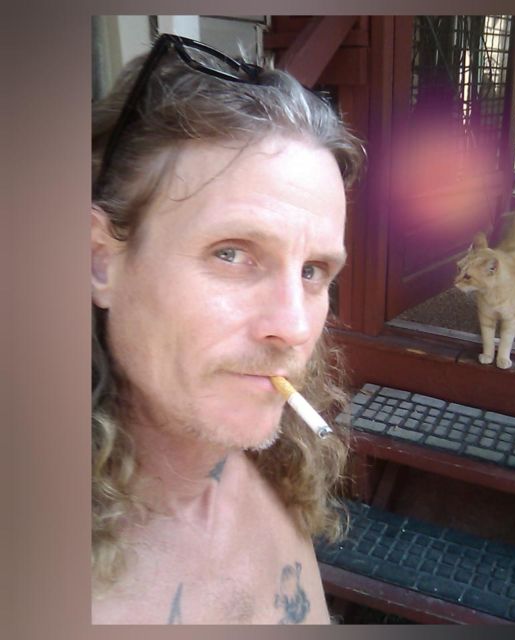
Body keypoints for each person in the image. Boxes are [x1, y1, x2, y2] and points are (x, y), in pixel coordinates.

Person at [91, 34, 364, 624]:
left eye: (313, 271)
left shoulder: (278, 470)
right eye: (232, 254)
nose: (294, 328)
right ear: (99, 261)